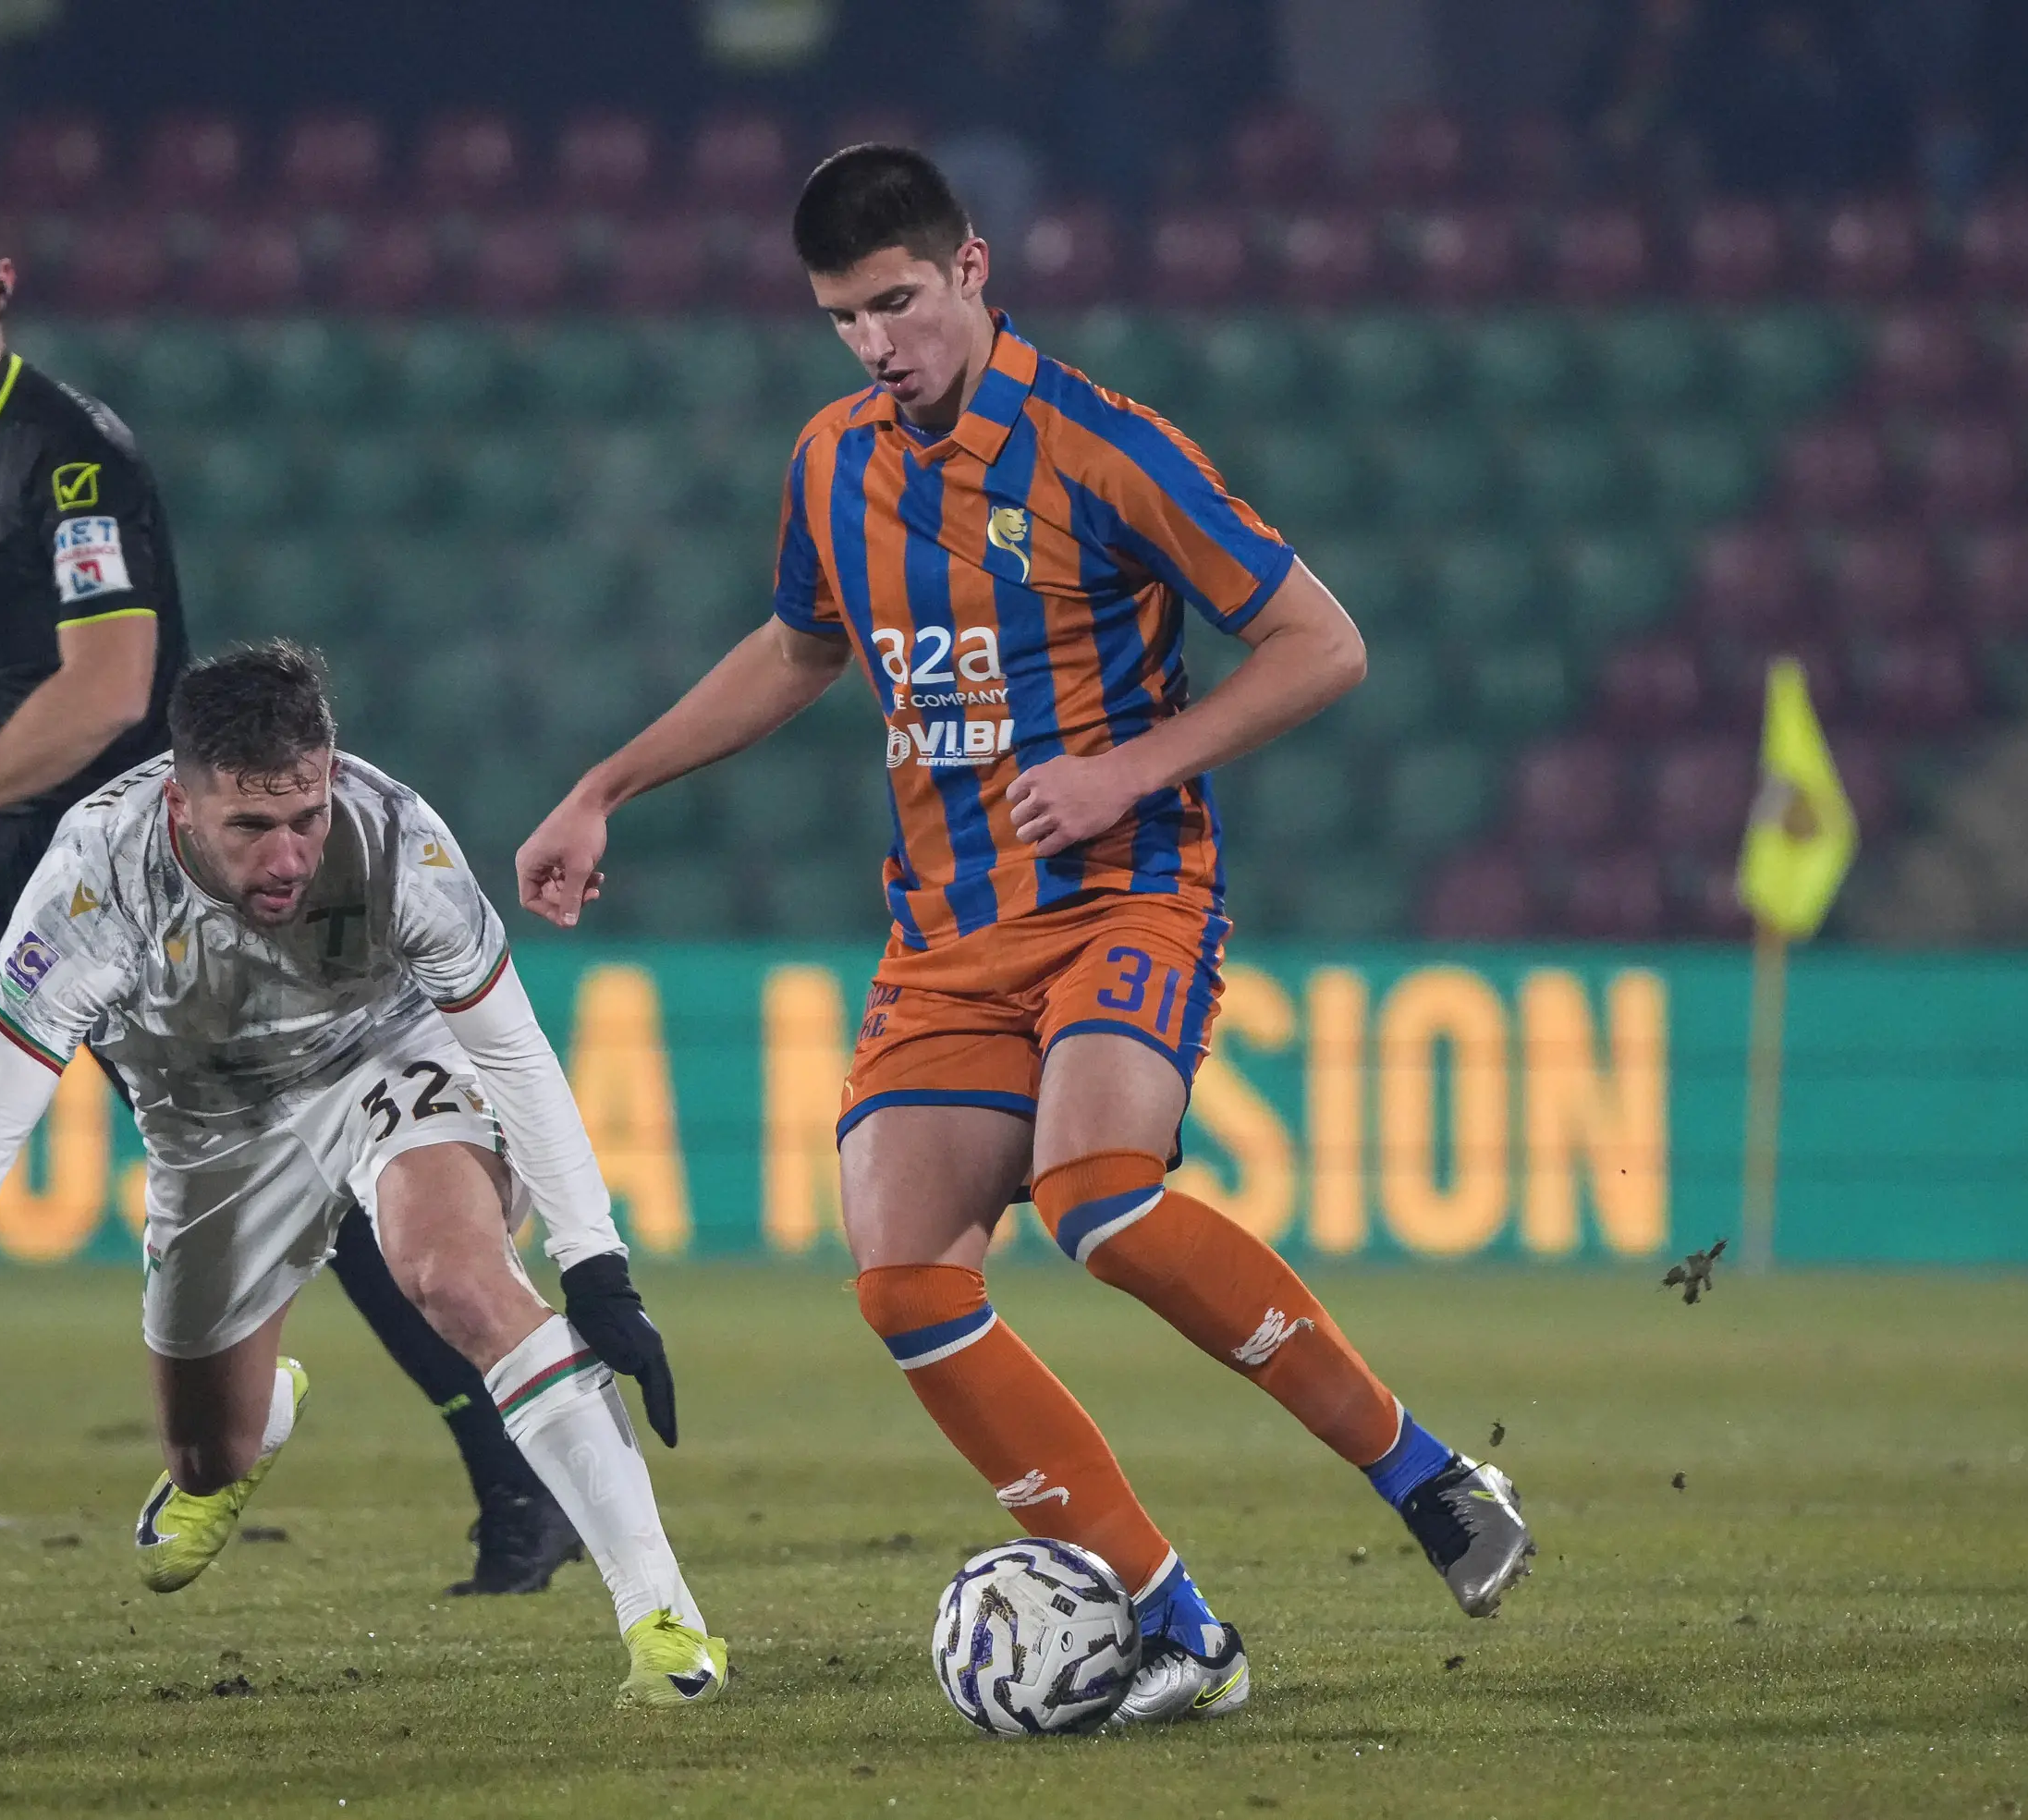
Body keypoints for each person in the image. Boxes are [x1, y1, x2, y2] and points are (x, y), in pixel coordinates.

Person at [516, 144, 1532, 1724]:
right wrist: (605, 785)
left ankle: (1422, 1473)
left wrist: (1125, 765)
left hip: (1125, 893)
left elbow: (1320, 642)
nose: (873, 341)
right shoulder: (829, 458)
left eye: (898, 302)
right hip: (942, 936)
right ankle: (1181, 1626)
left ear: (973, 269)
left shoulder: (1103, 450)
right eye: (842, 316)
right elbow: (798, 649)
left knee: (1095, 1198)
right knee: (903, 1276)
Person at [0, 169, 577, 1609]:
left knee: (315, 1185)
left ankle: (518, 1484)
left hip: (120, 869)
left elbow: (107, 690)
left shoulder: (66, 457)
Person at [0, 642, 727, 1708]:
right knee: (202, 1455)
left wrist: (594, 1260)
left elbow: (510, 1049)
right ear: (182, 806)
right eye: (250, 827)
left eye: (305, 817)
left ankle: (661, 1616)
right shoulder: (91, 883)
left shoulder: (390, 834)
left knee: (458, 1278)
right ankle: (257, 1419)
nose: (288, 856)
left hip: (384, 1062)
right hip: (208, 1128)